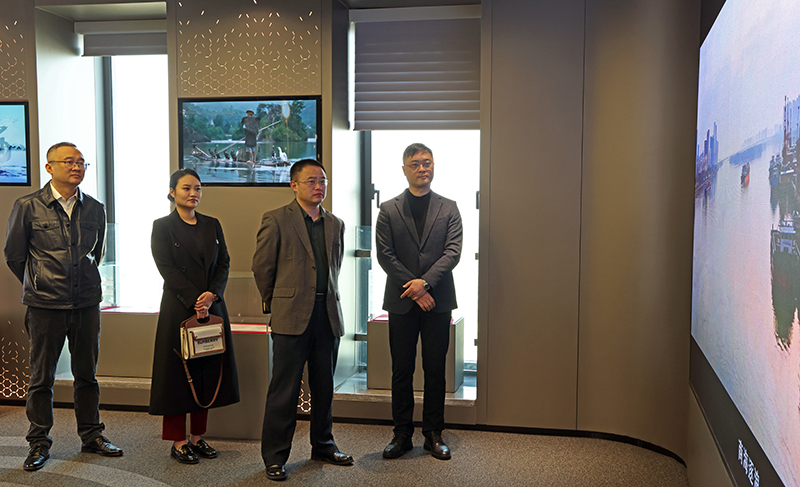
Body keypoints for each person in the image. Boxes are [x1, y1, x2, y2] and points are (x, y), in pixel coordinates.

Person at [4, 142, 123, 471]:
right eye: (69, 161)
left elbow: (97, 254)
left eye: (81, 162)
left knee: (87, 375)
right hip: (45, 305)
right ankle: (38, 441)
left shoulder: (95, 208)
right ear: (49, 167)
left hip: (86, 303)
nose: (76, 167)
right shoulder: (28, 206)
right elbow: (15, 256)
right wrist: (40, 283)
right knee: (41, 377)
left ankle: (92, 435)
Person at [252, 159, 352, 481]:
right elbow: (262, 268)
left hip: (328, 315)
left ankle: (323, 445)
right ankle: (275, 456)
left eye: (322, 181)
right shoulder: (276, 219)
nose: (319, 186)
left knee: (324, 389)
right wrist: (277, 302)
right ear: (293, 185)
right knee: (284, 391)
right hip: (291, 316)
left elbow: (335, 267)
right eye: (311, 181)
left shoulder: (335, 223)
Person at [375, 143, 463, 461]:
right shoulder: (388, 209)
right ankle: (401, 434)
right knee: (401, 370)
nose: (422, 168)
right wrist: (414, 288)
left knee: (435, 370)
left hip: (438, 300)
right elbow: (385, 255)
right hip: (401, 301)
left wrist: (424, 284)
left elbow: (452, 252)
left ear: (434, 166)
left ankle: (433, 433)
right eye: (415, 164)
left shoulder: (449, 208)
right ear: (404, 170)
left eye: (427, 162)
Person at [149, 169, 240, 465]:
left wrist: (211, 295)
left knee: (207, 369)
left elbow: (224, 263)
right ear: (172, 192)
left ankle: (198, 437)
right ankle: (178, 441)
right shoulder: (162, 226)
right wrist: (194, 299)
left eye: (198, 188)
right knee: (177, 375)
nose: (193, 193)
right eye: (186, 188)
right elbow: (166, 267)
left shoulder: (212, 224)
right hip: (179, 308)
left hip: (212, 307)